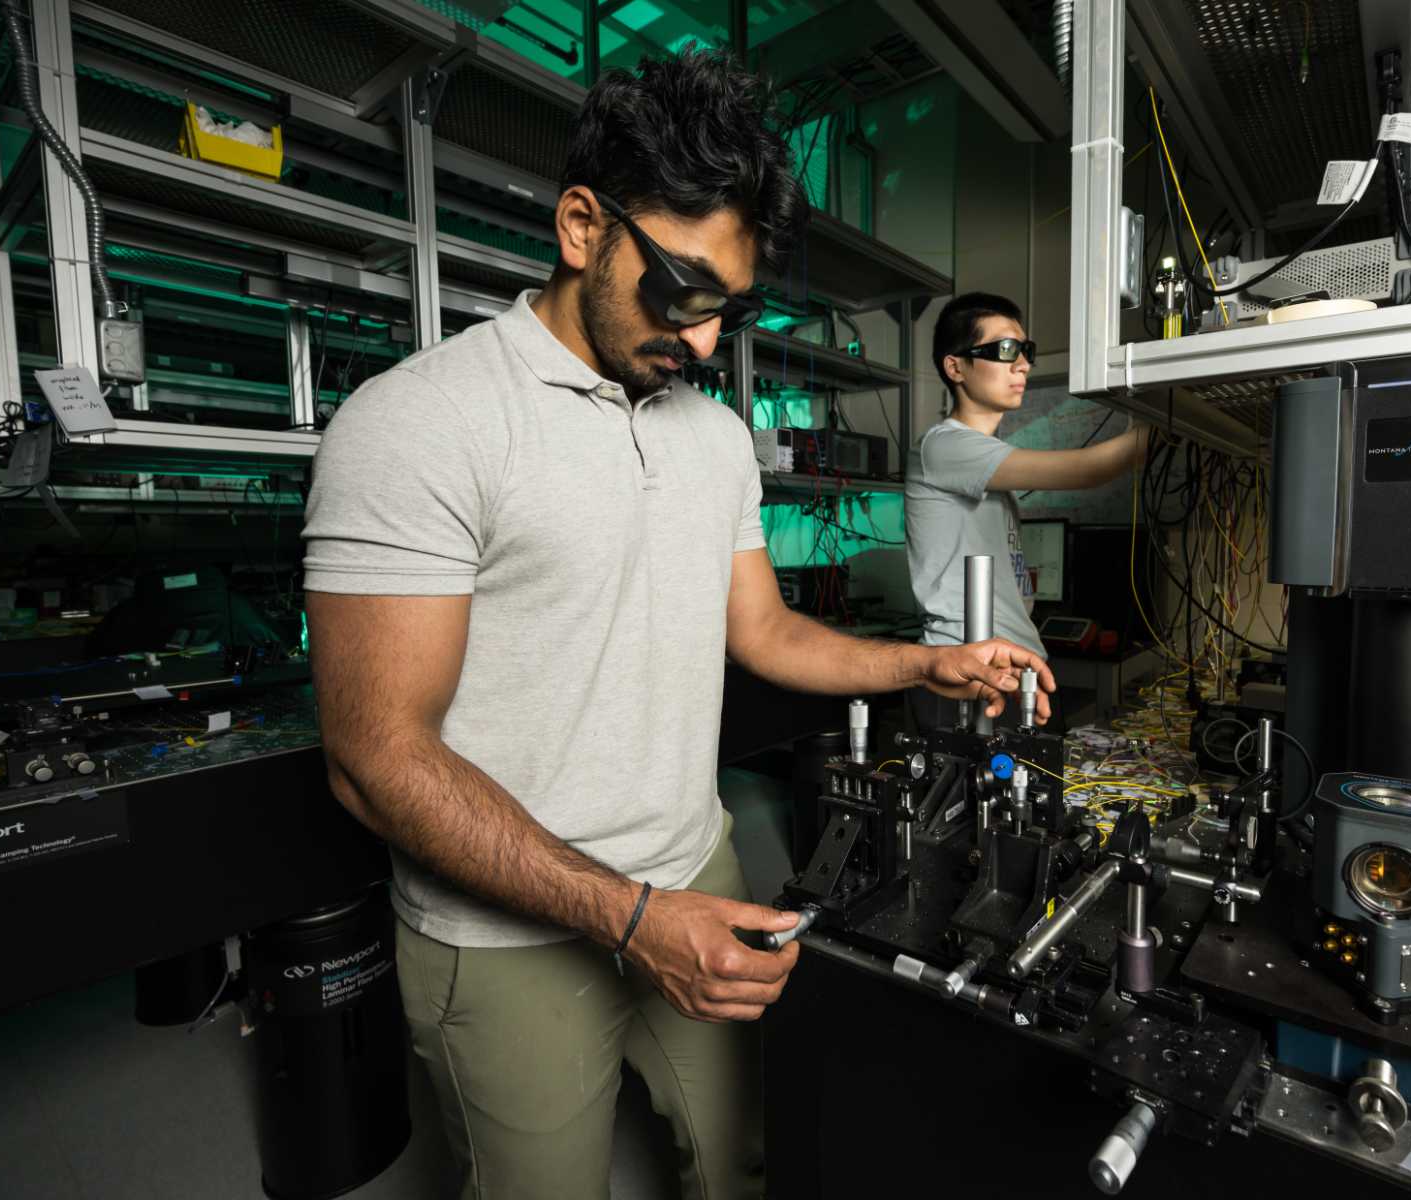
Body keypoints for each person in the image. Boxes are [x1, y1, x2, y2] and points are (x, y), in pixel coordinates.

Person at [300, 51, 1054, 1200]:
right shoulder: (417, 426)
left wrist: (924, 662)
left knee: (751, 1158)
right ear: (578, 226)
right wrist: (630, 919)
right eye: (680, 292)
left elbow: (762, 633)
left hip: (694, 871)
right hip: (507, 934)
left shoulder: (709, 436)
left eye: (728, 310)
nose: (703, 342)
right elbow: (374, 757)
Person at [905, 293, 1149, 726]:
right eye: (1005, 350)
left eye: (1026, 351)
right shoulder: (944, 446)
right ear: (955, 366)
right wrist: (1169, 418)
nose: (1022, 365)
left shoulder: (981, 457)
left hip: (1009, 669)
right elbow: (1089, 469)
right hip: (969, 672)